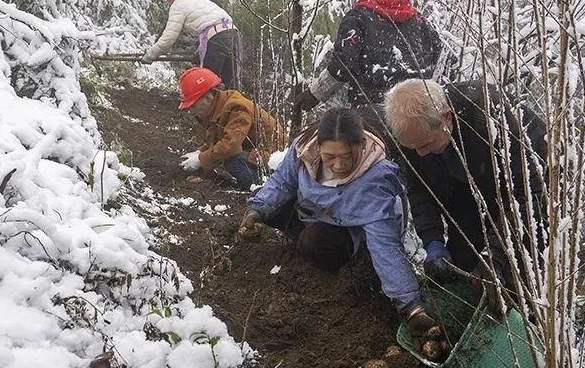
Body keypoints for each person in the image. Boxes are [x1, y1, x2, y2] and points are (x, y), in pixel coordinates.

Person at [236, 107, 437, 338]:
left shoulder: (376, 180)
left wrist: (411, 307)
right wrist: (255, 211)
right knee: (268, 204)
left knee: (313, 242)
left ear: (361, 145)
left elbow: (386, 246)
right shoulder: (304, 148)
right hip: (314, 211)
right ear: (318, 146)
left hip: (349, 228)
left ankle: (349, 260)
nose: (338, 166)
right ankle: (297, 240)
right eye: (329, 157)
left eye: (347, 156)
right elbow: (282, 182)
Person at [383, 79, 547, 315]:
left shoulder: (491, 119)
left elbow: (526, 198)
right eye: (412, 148)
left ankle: (527, 329)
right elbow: (420, 191)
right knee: (462, 265)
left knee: (513, 279)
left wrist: (495, 256)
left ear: (446, 118)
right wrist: (433, 241)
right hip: (466, 190)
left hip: (530, 196)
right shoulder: (412, 137)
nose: (419, 153)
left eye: (426, 144)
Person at [295, 0, 445, 116]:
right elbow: (442, 60)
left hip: (372, 111)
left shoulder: (358, 18)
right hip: (418, 111)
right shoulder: (419, 20)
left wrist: (314, 95)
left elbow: (343, 66)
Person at [177, 67, 284, 189]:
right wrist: (199, 152)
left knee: (232, 162)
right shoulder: (219, 108)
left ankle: (265, 188)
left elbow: (231, 145)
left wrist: (201, 159)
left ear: (207, 97)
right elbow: (219, 139)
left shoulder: (237, 108)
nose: (192, 111)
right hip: (258, 155)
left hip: (275, 161)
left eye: (193, 105)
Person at [143, 0, 241, 88]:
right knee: (230, 81)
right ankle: (234, 104)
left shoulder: (177, 5)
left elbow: (168, 38)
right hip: (232, 32)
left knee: (207, 81)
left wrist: (150, 55)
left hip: (216, 37)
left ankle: (208, 104)